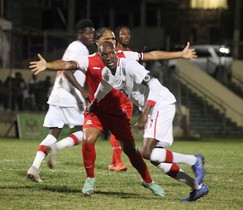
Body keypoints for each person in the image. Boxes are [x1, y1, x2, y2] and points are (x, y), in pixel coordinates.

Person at [29, 27, 197, 196]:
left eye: (114, 39)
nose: (112, 42)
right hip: (97, 110)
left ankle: (148, 181)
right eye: (107, 39)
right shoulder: (88, 60)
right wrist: (48, 65)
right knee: (88, 139)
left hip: (119, 112)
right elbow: (67, 64)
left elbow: (152, 56)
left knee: (131, 150)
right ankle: (90, 180)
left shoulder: (125, 57)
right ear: (97, 43)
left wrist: (180, 54)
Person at [88, 41, 209, 202]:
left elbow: (155, 85)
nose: (109, 57)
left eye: (111, 53)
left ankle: (195, 160)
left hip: (160, 104)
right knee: (156, 159)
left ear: (116, 53)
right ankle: (197, 187)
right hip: (154, 109)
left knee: (146, 152)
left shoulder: (129, 65)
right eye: (104, 54)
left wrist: (145, 114)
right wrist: (93, 103)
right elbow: (102, 88)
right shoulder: (106, 73)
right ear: (100, 56)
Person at [27, 19, 95, 183]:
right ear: (80, 34)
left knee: (54, 132)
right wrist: (82, 90)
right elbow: (66, 69)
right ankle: (57, 147)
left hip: (57, 94)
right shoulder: (79, 47)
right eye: (88, 32)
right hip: (69, 97)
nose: (91, 35)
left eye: (93, 32)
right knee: (88, 132)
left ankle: (34, 167)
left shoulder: (74, 47)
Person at [107, 26, 132, 171]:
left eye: (129, 34)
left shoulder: (130, 53)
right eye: (123, 34)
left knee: (122, 130)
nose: (127, 37)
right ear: (117, 37)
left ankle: (113, 163)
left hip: (128, 96)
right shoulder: (111, 53)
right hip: (116, 96)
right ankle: (118, 162)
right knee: (118, 130)